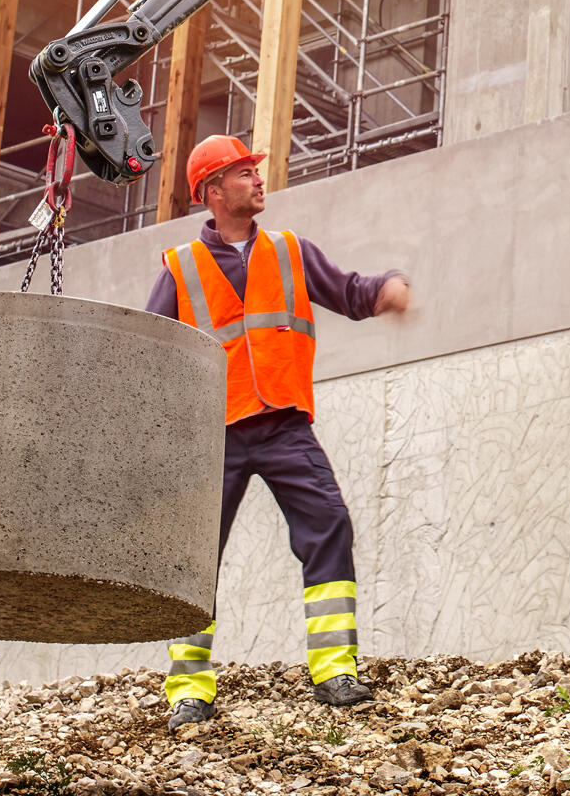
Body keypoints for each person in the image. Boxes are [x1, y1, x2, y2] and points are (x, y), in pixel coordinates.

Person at [147, 134, 411, 726]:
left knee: (329, 524)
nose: (259, 180)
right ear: (214, 192)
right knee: (194, 557)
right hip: (214, 435)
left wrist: (385, 290)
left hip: (284, 424)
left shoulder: (290, 249)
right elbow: (154, 352)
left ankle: (335, 670)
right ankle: (188, 689)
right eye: (244, 173)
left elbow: (346, 290)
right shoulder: (181, 268)